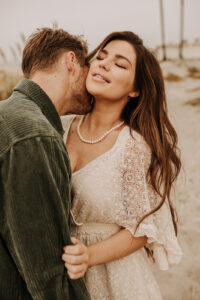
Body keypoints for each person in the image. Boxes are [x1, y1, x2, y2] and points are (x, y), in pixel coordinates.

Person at [61, 31, 183, 300]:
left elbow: (141, 229)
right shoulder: (61, 126)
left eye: (120, 64)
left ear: (135, 88)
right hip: (62, 272)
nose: (103, 64)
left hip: (116, 279)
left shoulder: (132, 145)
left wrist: (89, 255)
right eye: (101, 57)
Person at [0, 27, 91, 299]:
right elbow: (48, 274)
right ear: (71, 62)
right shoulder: (34, 136)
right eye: (89, 66)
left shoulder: (7, 114)